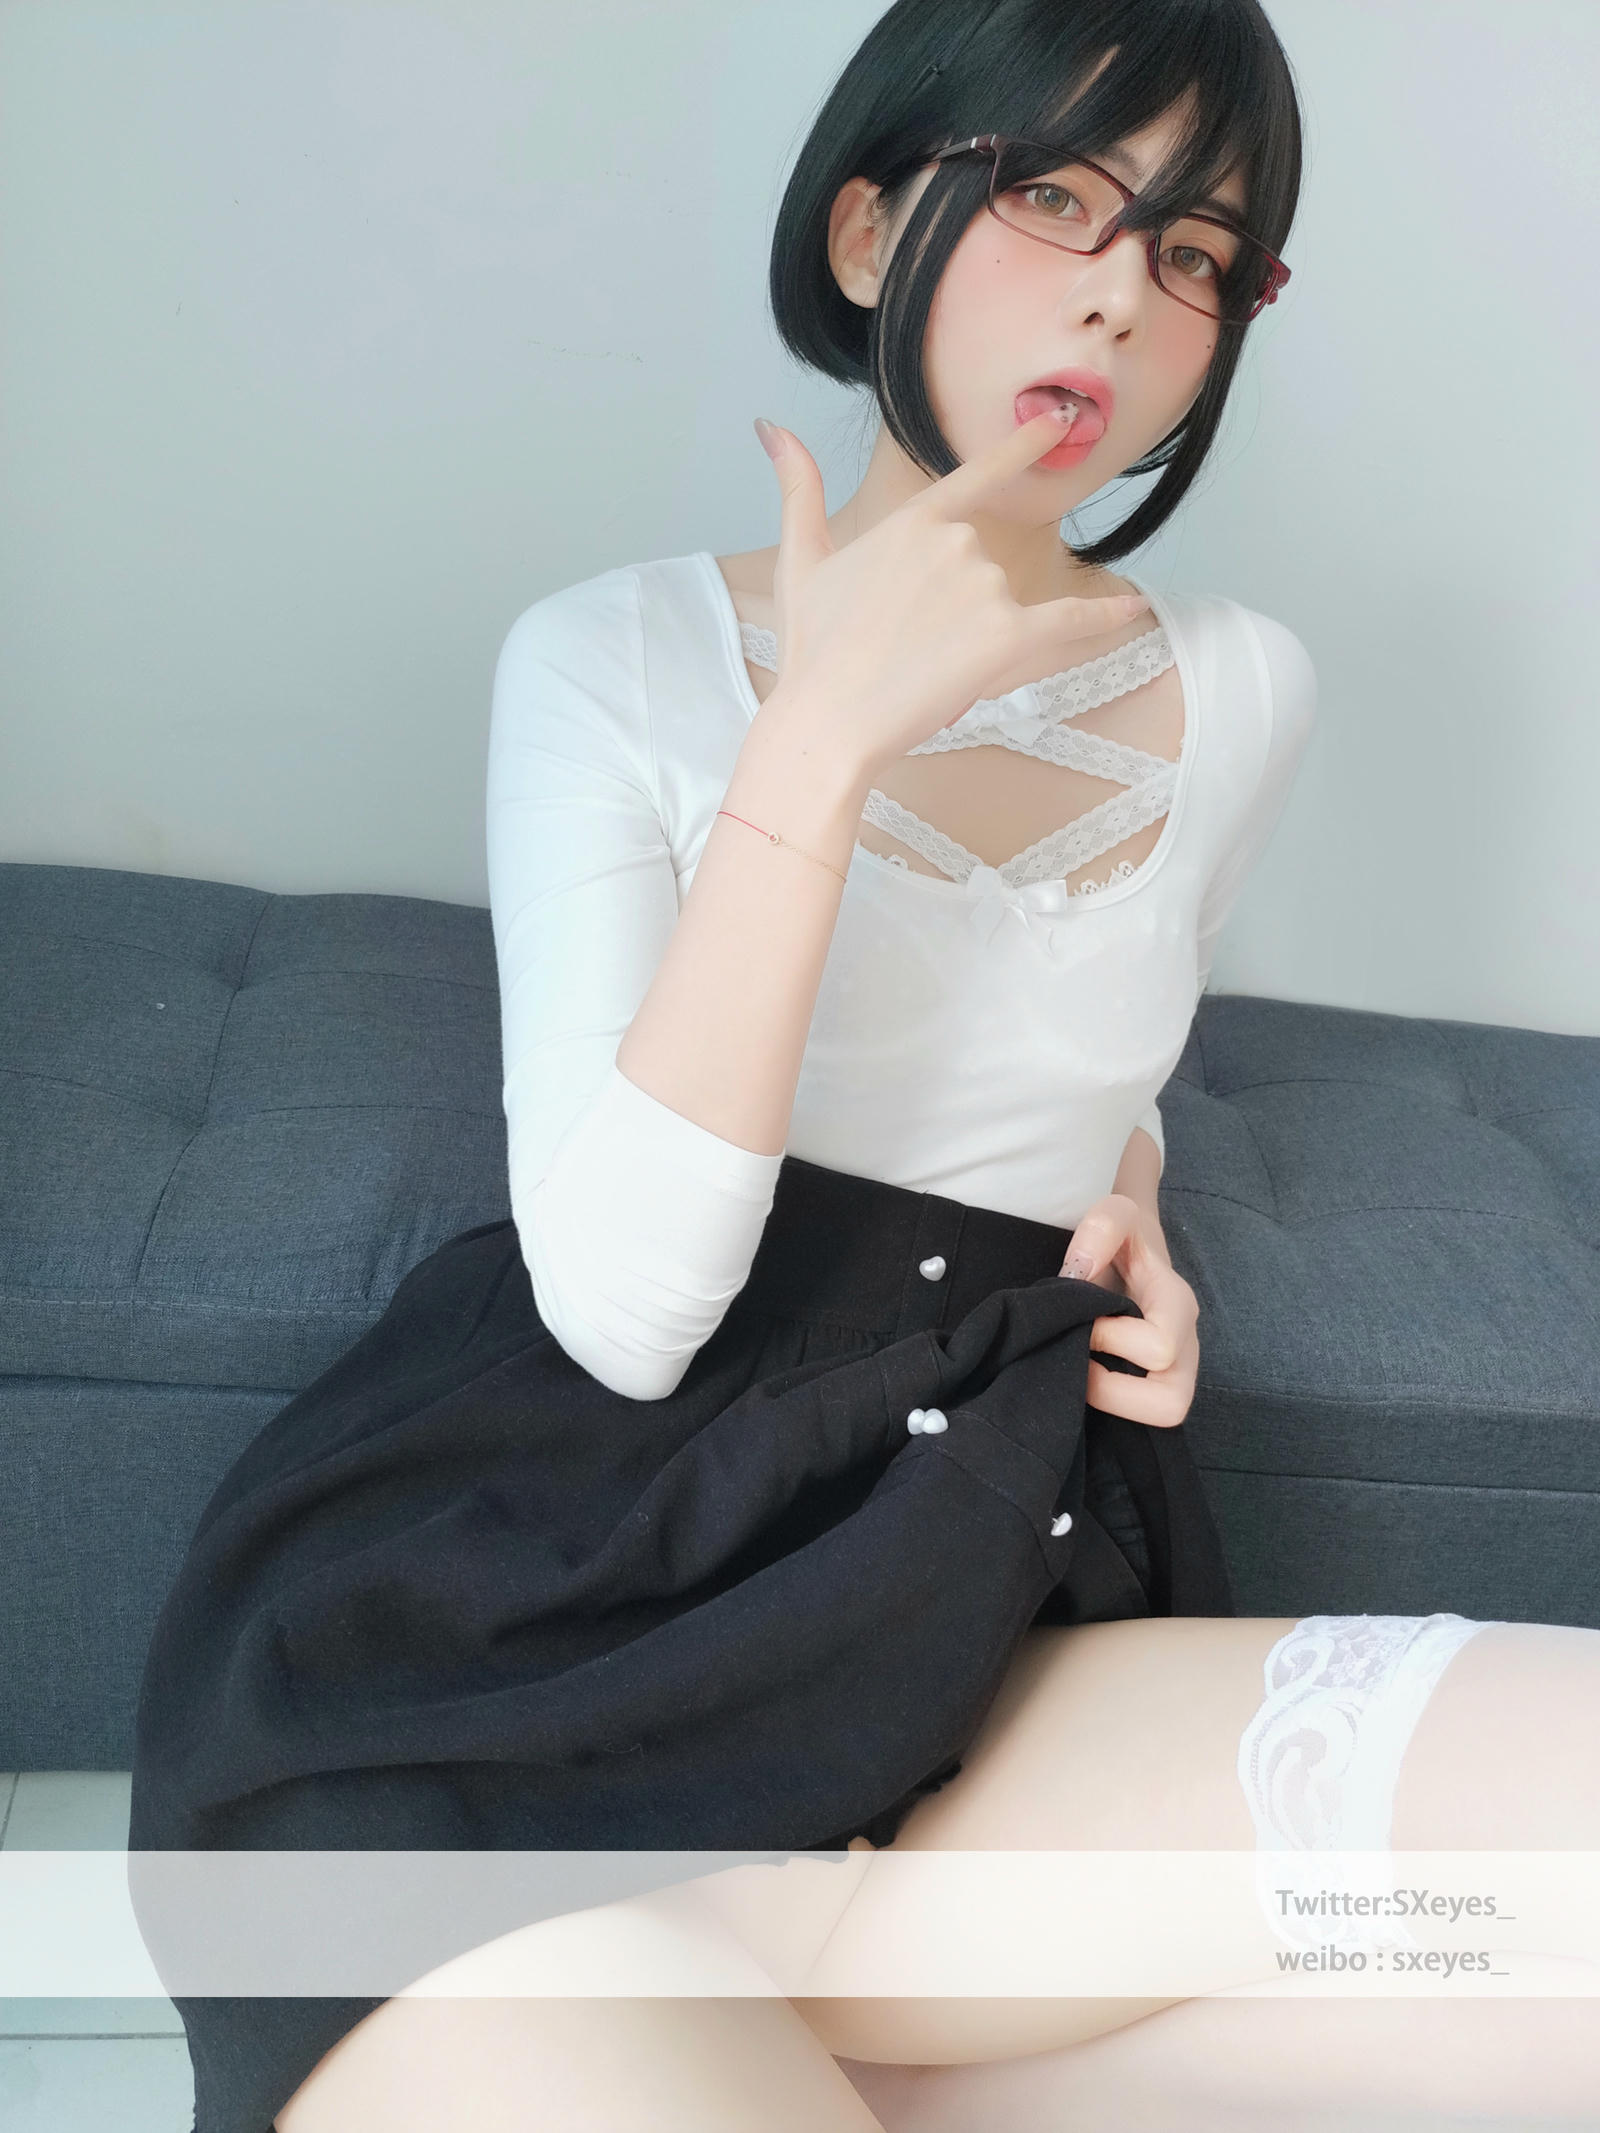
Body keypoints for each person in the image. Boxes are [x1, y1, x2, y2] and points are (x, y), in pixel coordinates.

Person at [127, 2, 1600, 2128]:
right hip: (516, 1643)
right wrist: (814, 743)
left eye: (1193, 249)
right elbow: (628, 1305)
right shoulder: (615, 656)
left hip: (957, 1591)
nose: (1120, 290)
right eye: (1053, 193)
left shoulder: (1236, 689)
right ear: (862, 230)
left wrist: (1133, 1205)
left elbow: (1086, 1043)